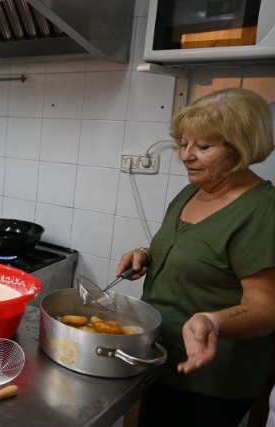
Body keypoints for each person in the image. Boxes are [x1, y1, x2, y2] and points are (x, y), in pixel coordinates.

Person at [116, 87, 275, 427]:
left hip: (206, 379)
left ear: (241, 148)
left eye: (203, 147)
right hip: (160, 357)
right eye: (184, 143)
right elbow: (192, 248)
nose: (186, 155)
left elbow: (265, 308)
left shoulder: (262, 211)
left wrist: (212, 321)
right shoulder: (194, 191)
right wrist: (145, 254)